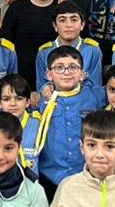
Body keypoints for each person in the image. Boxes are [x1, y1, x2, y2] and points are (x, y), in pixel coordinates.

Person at [33, 46, 106, 199]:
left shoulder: (95, 96)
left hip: (86, 176)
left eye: (73, 67)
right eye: (59, 68)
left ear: (82, 74)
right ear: (49, 74)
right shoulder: (39, 101)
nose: (66, 72)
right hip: (50, 177)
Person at [0, 0, 60, 89]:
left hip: (55, 81)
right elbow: (5, 46)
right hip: (20, 81)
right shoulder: (16, 8)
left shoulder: (62, 10)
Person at [35, 2, 102, 89]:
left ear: (82, 25)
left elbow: (95, 86)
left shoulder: (92, 50)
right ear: (55, 26)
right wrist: (46, 89)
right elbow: (41, 86)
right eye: (62, 20)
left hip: (85, 97)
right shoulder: (44, 52)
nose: (68, 25)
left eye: (74, 20)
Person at [0, 74, 43, 171]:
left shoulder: (39, 125)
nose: (13, 104)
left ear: (28, 102)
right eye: (6, 99)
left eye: (19, 99)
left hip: (31, 179)